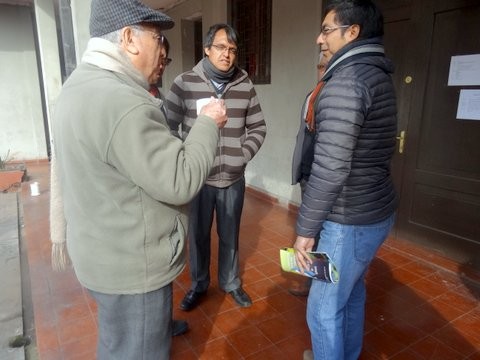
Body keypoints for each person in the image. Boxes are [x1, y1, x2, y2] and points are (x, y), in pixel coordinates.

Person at [51, 0, 227, 358]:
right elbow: (179, 179)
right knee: (135, 348)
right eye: (158, 39)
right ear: (129, 39)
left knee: (121, 337)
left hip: (102, 252)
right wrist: (209, 122)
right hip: (131, 267)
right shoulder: (122, 101)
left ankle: (155, 328)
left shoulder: (78, 85)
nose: (164, 50)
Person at [292, 1, 397, 359]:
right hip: (374, 213)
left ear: (352, 33)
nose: (318, 39)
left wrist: (306, 230)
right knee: (350, 295)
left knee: (322, 310)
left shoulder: (347, 81)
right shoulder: (376, 73)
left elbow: (331, 167)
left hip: (347, 219)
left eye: (326, 30)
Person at [166, 23, 267, 310]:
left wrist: (241, 155)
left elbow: (258, 127)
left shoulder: (245, 85)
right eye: (221, 48)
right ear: (207, 49)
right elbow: (166, 127)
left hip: (232, 179)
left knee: (229, 234)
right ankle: (198, 285)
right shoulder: (184, 83)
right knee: (197, 236)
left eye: (233, 49)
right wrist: (185, 157)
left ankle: (231, 282)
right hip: (198, 179)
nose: (227, 55)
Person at [147, 35, 189, 338]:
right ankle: (156, 329)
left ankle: (164, 321)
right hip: (149, 197)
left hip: (162, 198)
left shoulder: (155, 92)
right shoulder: (130, 97)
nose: (162, 64)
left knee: (163, 272)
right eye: (159, 57)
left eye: (166, 59)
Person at [289, 53, 328, 297]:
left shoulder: (336, 98)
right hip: (307, 173)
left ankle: (319, 284)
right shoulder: (311, 96)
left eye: (327, 65)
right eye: (320, 66)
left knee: (322, 232)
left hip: (322, 177)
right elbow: (304, 135)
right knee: (312, 230)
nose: (322, 70)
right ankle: (313, 280)